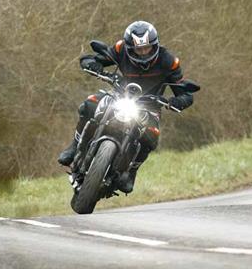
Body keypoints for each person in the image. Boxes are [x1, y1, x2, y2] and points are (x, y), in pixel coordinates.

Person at [57, 21, 194, 194]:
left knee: (152, 135)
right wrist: (92, 64)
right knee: (89, 104)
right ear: (130, 48)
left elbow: (185, 92)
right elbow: (91, 57)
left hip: (149, 106)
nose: (143, 53)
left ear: (155, 45)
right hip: (120, 96)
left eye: (147, 48)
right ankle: (75, 146)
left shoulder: (169, 61)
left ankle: (131, 172)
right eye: (138, 49)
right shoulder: (121, 49)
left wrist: (176, 101)